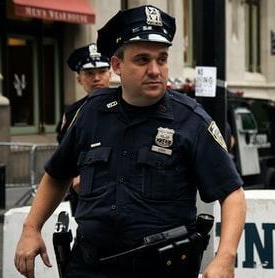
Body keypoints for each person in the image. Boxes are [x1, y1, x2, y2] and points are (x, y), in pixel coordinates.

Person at [14, 5, 245, 278]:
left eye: (161, 59)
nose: (155, 70)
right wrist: (31, 228)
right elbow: (57, 174)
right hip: (90, 266)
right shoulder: (90, 112)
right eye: (142, 60)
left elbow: (232, 194)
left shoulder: (191, 120)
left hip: (160, 269)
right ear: (116, 66)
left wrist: (225, 256)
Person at [55, 43, 112, 213]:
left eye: (102, 72)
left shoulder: (127, 105)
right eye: (89, 73)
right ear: (79, 78)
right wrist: (74, 176)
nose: (96, 78)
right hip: (85, 196)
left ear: (110, 74)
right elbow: (64, 154)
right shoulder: (73, 113)